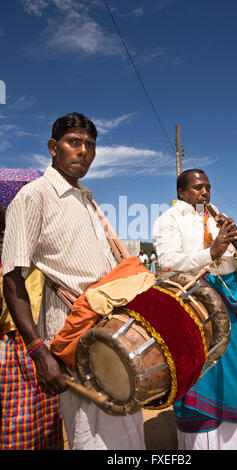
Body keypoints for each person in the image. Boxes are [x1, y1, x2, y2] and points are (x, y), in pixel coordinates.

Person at [2, 112, 145, 450]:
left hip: (110, 334)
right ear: (54, 147)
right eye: (74, 142)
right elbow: (13, 279)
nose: (83, 151)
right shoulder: (33, 196)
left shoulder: (86, 198)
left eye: (90, 145)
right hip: (74, 339)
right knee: (94, 437)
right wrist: (40, 352)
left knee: (127, 429)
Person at [152, 169, 237, 450]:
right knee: (197, 370)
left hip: (227, 300)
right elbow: (167, 261)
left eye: (208, 188)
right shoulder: (169, 220)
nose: (205, 193)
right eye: (198, 188)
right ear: (181, 193)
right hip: (192, 304)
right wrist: (210, 253)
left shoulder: (218, 217)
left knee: (230, 371)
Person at [0, 203, 63, 450]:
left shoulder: (42, 245)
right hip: (17, 339)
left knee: (49, 418)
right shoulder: (10, 249)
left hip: (44, 336)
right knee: (18, 423)